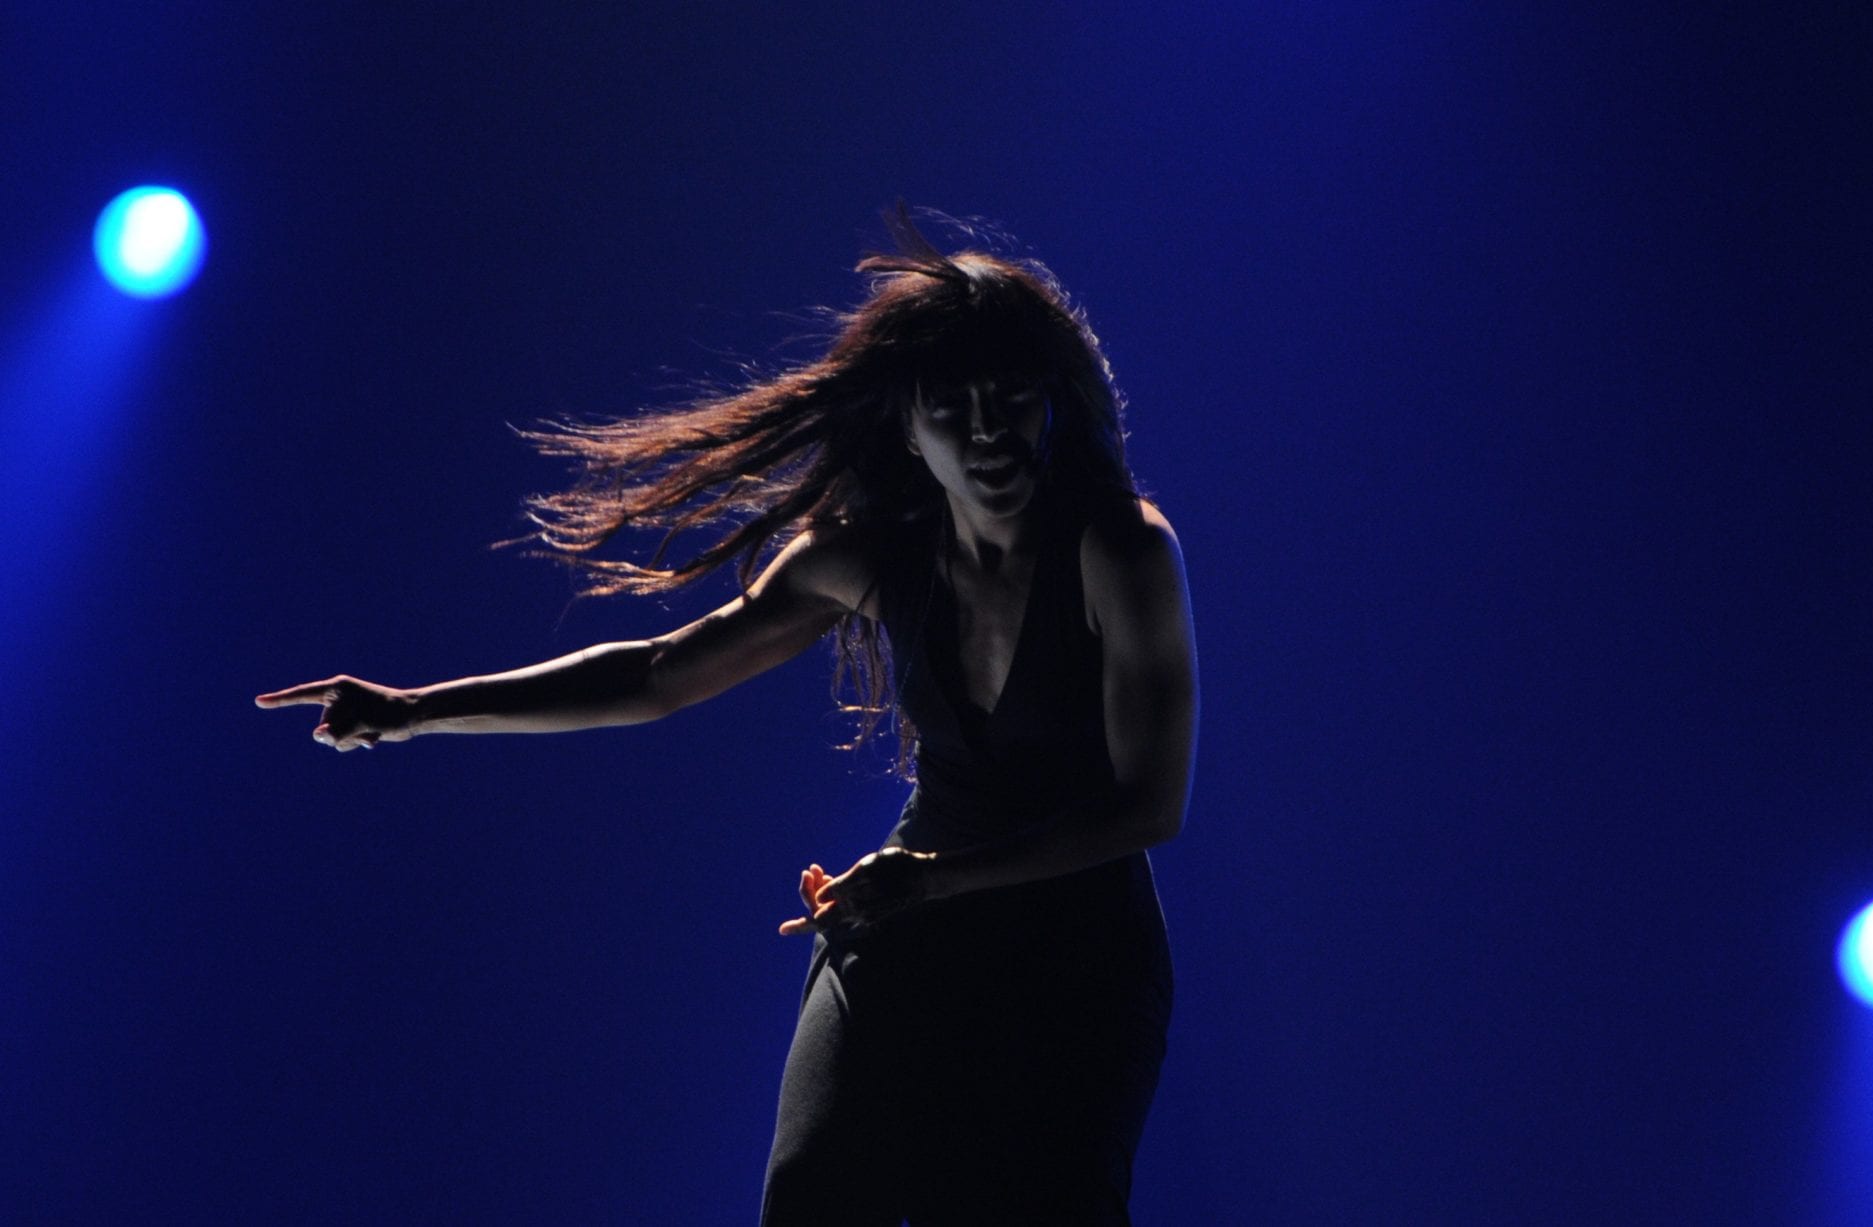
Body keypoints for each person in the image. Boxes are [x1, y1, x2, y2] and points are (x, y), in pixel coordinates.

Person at [256, 208, 1197, 1226]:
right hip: (902, 925)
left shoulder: (1121, 550)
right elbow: (658, 673)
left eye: (1010, 398)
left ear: (1052, 400)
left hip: (1075, 954)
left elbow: (1147, 806)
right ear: (907, 427)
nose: (986, 433)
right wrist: (410, 711)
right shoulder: (867, 556)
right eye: (950, 407)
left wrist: (932, 878)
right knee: (811, 1197)